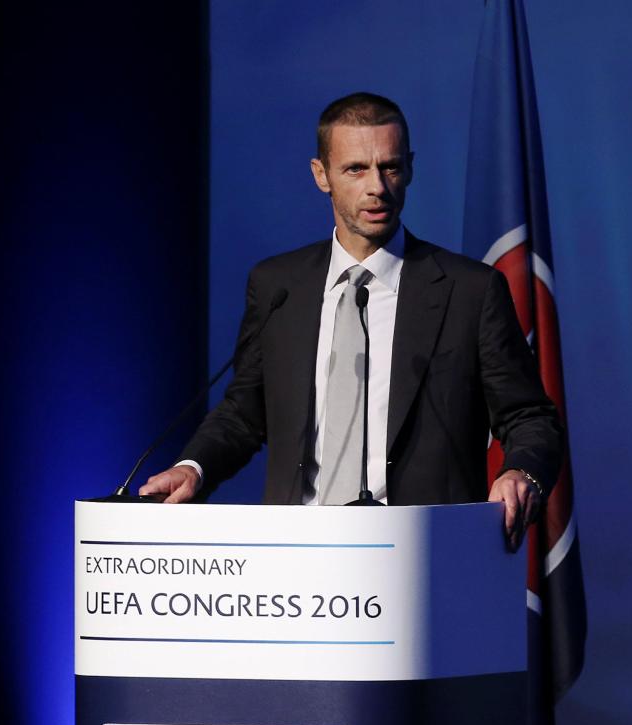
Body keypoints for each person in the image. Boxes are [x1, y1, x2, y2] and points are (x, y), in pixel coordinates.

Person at [140, 92, 562, 549]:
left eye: (390, 167)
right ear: (321, 175)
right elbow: (244, 412)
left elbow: (529, 416)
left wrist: (521, 471)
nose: (377, 186)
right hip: (296, 551)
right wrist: (194, 467)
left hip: (420, 554)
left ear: (410, 168)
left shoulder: (469, 291)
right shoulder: (278, 285)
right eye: (356, 169)